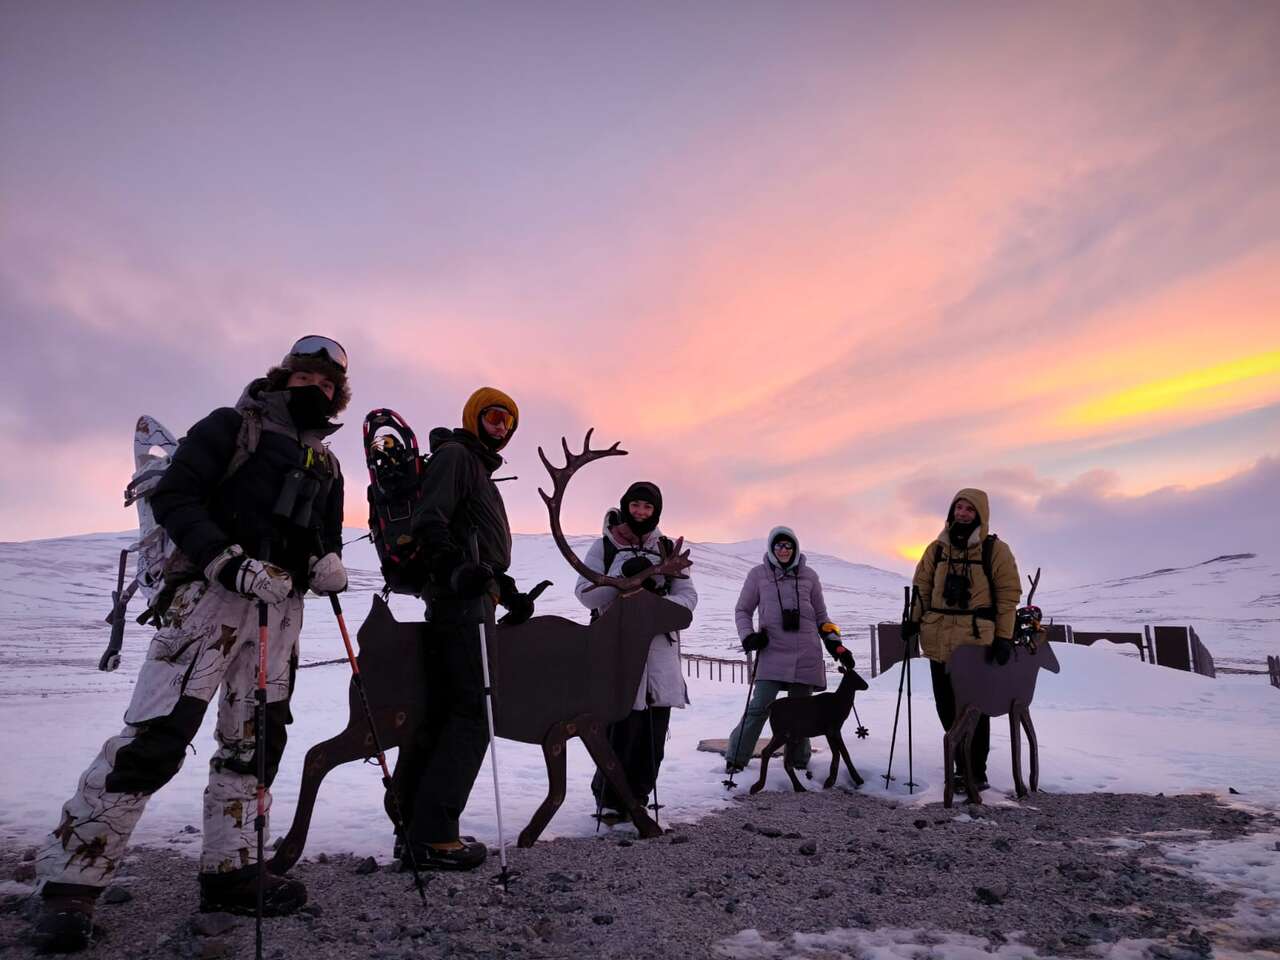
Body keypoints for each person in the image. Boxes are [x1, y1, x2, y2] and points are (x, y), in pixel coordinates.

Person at [33, 336, 350, 951]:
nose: (317, 389)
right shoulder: (232, 427)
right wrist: (226, 560)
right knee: (156, 737)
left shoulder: (326, 463)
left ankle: (232, 871)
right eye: (307, 377)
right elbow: (176, 497)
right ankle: (71, 882)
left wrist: (324, 561)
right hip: (209, 602)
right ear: (284, 377)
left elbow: (325, 531)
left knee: (256, 742)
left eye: (328, 384)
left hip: (280, 610)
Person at [391, 387, 536, 871]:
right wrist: (456, 572)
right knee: (474, 714)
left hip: (469, 598)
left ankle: (415, 829)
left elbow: (478, 550)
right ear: (474, 417)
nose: (501, 427)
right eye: (494, 417)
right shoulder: (457, 457)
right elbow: (430, 522)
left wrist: (507, 591)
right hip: (459, 605)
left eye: (508, 422)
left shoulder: (476, 467)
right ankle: (434, 835)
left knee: (446, 713)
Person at [575, 481, 698, 821]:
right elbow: (585, 593)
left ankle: (638, 799)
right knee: (619, 729)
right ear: (625, 506)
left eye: (647, 507)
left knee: (652, 733)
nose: (641, 512)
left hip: (658, 651)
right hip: (617, 649)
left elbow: (688, 599)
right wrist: (621, 578)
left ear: (656, 511)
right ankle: (609, 800)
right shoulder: (605, 546)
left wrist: (654, 604)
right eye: (635, 505)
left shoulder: (667, 548)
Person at [908, 488, 1021, 792]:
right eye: (958, 507)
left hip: (974, 644)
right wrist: (913, 622)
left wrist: (1004, 637)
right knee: (946, 707)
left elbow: (1008, 596)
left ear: (980, 514)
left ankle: (975, 772)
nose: (962, 513)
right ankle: (960, 766)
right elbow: (921, 589)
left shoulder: (995, 551)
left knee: (973, 708)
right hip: (937, 640)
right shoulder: (936, 549)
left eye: (969, 509)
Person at [725, 527, 849, 774]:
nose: (783, 550)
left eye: (788, 546)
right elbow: (742, 610)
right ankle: (736, 758)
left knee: (802, 710)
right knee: (759, 707)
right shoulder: (758, 575)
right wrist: (748, 636)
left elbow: (822, 617)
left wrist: (835, 643)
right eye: (779, 545)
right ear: (772, 548)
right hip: (772, 652)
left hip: (806, 654)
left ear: (795, 548)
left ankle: (798, 761)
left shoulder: (810, 576)